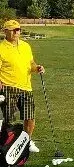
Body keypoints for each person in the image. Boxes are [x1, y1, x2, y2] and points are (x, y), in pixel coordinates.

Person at [0, 19, 45, 152]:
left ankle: (27, 141)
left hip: (26, 87)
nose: (16, 32)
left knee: (29, 117)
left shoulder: (26, 46)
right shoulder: (1, 48)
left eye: (18, 29)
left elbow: (30, 63)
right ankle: (6, 144)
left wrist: (37, 68)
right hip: (8, 86)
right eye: (13, 30)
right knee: (9, 119)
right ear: (5, 31)